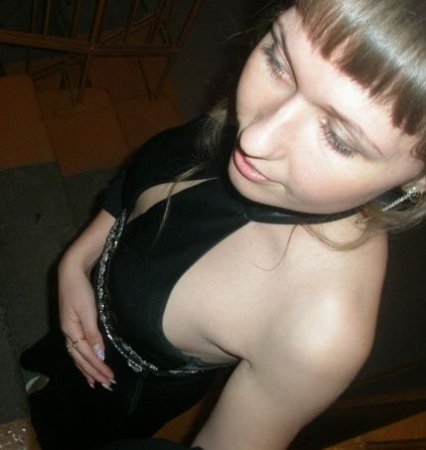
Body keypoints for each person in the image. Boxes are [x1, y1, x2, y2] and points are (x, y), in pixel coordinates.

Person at [22, 0, 426, 449]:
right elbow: (139, 183)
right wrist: (76, 262)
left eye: (338, 138)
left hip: (112, 394)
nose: (253, 138)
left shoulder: (319, 332)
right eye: (278, 60)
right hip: (84, 304)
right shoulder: (268, 115)